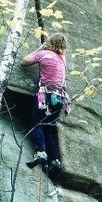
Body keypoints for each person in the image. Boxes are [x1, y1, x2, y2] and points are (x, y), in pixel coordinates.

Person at [21, 33, 68, 177]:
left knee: (37, 123)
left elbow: (24, 61)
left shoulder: (44, 54)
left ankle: (40, 153)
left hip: (46, 95)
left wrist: (40, 48)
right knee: (49, 128)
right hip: (60, 97)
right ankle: (55, 159)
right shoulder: (63, 59)